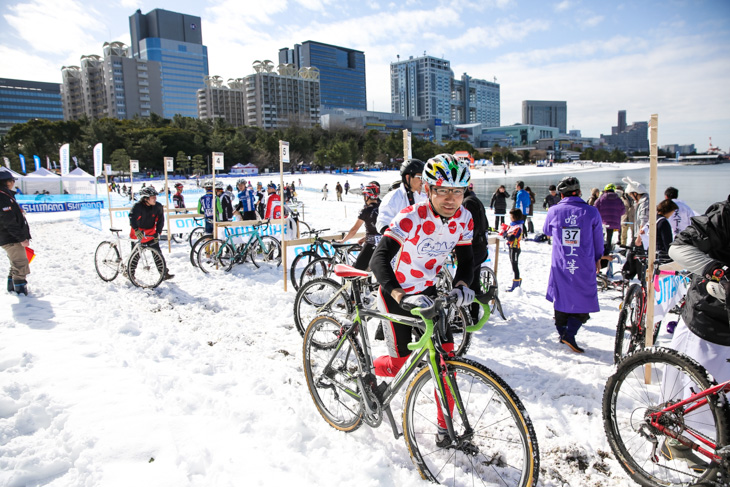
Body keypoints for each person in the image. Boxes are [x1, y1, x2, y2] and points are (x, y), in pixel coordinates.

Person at [369, 154, 474, 443]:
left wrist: (463, 284)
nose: (451, 199)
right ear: (427, 189)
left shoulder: (464, 218)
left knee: (445, 363)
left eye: (458, 190)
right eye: (442, 189)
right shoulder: (411, 217)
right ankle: (365, 371)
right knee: (399, 365)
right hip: (396, 293)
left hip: (428, 293)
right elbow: (379, 259)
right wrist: (399, 295)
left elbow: (467, 260)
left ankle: (445, 430)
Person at [667, 195, 730, 392]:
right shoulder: (724, 214)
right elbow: (679, 247)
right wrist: (718, 272)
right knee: (700, 413)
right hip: (709, 325)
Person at [543, 176, 603, 353]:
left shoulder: (554, 211)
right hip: (584, 262)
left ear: (562, 195)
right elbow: (598, 240)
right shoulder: (591, 212)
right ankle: (569, 334)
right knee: (584, 298)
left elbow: (547, 231)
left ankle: (563, 332)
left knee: (561, 296)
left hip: (561, 262)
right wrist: (598, 257)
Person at [129, 186, 173, 280]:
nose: (155, 199)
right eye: (153, 197)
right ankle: (130, 272)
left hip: (151, 233)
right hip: (138, 232)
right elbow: (132, 218)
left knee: (157, 252)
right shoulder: (137, 207)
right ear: (145, 199)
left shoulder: (158, 206)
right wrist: (136, 230)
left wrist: (158, 233)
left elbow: (161, 221)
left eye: (155, 197)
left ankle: (163, 273)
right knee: (136, 254)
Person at [0, 168, 32, 295]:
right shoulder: (2, 197)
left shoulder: (6, 195)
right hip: (10, 238)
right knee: (20, 263)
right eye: (12, 180)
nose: (13, 183)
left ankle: (12, 288)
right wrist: (21, 238)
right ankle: (20, 291)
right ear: (6, 182)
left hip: (10, 237)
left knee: (15, 262)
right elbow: (8, 221)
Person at [337, 182, 381, 270]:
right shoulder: (383, 207)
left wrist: (343, 241)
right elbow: (377, 229)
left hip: (371, 245)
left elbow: (354, 230)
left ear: (367, 196)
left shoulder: (366, 210)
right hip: (383, 243)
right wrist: (364, 238)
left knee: (356, 270)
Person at [376, 158, 427, 234]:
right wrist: (393, 240)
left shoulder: (423, 198)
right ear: (407, 177)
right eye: (420, 177)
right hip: (400, 243)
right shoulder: (392, 198)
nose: (422, 181)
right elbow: (382, 223)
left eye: (423, 178)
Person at [462, 182, 489, 321]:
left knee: (469, 282)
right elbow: (486, 224)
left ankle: (471, 315)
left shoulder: (467, 204)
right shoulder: (475, 200)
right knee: (474, 282)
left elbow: (471, 229)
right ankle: (473, 314)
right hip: (481, 246)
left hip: (474, 248)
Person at [594, 183, 626, 253]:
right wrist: (616, 215)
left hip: (603, 221)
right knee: (609, 236)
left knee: (601, 236)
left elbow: (595, 208)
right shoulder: (618, 199)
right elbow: (623, 210)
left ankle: (601, 251)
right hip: (614, 222)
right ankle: (608, 249)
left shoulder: (601, 198)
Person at [499, 209, 524, 292]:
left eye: (511, 216)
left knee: (515, 266)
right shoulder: (513, 225)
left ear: (515, 217)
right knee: (513, 265)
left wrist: (506, 234)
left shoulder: (518, 226)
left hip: (515, 248)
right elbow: (507, 233)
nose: (510, 218)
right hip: (511, 247)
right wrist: (505, 233)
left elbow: (511, 237)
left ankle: (516, 284)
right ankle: (516, 283)